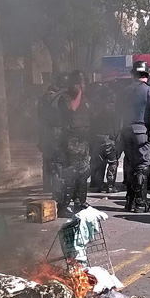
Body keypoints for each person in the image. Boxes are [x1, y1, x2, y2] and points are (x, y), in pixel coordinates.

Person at [120, 61, 150, 213]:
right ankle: (140, 203)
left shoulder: (124, 91)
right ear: (147, 75)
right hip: (141, 131)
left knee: (131, 165)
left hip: (126, 130)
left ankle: (130, 201)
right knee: (142, 167)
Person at [58, 70, 92, 217]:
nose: (82, 86)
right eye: (79, 83)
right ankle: (64, 205)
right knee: (70, 173)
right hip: (71, 141)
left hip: (83, 141)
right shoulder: (65, 98)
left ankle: (80, 201)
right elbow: (72, 108)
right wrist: (78, 93)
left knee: (83, 172)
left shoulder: (85, 98)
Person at [37, 73, 67, 197]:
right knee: (59, 161)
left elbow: (39, 117)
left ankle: (47, 185)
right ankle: (57, 187)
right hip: (58, 131)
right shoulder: (62, 97)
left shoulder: (45, 97)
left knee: (48, 159)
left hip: (46, 131)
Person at [89, 83, 120, 194]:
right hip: (109, 138)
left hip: (97, 138)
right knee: (112, 162)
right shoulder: (112, 109)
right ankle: (110, 185)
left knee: (99, 163)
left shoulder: (94, 109)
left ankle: (99, 185)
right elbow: (117, 125)